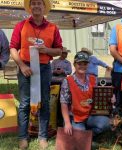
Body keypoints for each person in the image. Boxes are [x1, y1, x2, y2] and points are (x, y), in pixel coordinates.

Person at [9, 0, 62, 149]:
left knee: (44, 102)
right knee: (25, 103)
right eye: (33, 3)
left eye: (40, 3)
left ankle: (43, 136)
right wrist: (22, 65)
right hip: (25, 68)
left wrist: (46, 50)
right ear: (30, 7)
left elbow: (59, 50)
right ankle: (23, 137)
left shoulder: (53, 28)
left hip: (44, 69)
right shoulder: (21, 25)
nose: (36, 6)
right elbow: (13, 48)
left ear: (44, 7)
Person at [60, 51, 110, 136]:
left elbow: (97, 97)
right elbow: (64, 104)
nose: (82, 66)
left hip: (89, 115)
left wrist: (109, 98)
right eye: (79, 64)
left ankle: (88, 136)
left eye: (85, 64)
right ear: (74, 64)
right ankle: (83, 134)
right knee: (79, 134)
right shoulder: (68, 81)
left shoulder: (93, 79)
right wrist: (67, 123)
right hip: (75, 117)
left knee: (107, 123)